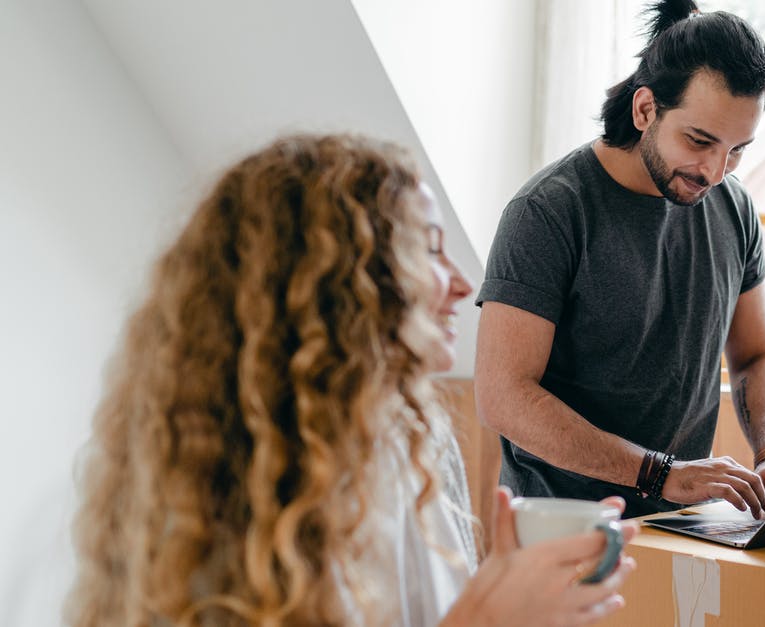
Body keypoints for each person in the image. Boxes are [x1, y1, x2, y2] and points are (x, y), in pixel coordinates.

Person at [66, 134, 635, 627]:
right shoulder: (221, 487)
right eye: (430, 248)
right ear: (336, 280)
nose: (465, 284)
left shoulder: (416, 437)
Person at [475, 0, 765, 521]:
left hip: (677, 522)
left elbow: (756, 355)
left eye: (738, 149)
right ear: (645, 109)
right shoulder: (549, 210)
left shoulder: (734, 207)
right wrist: (660, 473)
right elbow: (503, 395)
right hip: (561, 530)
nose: (717, 172)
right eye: (700, 141)